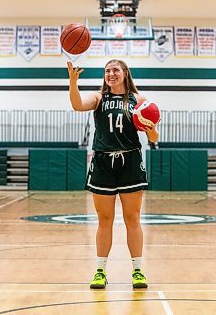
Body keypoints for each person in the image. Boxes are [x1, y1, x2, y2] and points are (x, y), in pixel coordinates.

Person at [67, 59, 159, 289]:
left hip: (130, 161)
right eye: (107, 71)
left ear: (125, 73)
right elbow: (77, 105)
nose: (111, 74)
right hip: (103, 162)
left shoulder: (139, 101)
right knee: (104, 220)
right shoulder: (99, 98)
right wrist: (73, 82)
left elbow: (154, 138)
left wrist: (152, 128)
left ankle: (138, 271)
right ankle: (100, 271)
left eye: (115, 70)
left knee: (132, 219)